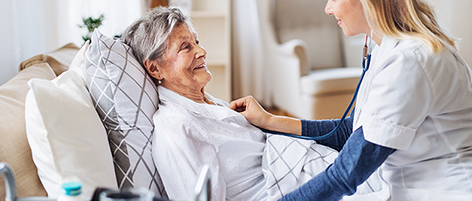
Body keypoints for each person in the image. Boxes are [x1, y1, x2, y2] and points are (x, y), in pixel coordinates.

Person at [230, 0, 472, 200]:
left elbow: (347, 173)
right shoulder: (386, 49)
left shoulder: (411, 60)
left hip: (458, 193)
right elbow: (349, 131)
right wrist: (269, 120)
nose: (328, 8)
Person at [122, 6, 371, 201]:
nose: (201, 51)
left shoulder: (208, 104)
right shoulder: (176, 128)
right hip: (316, 188)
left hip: (325, 170)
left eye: (196, 41)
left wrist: (267, 122)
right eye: (185, 47)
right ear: (154, 68)